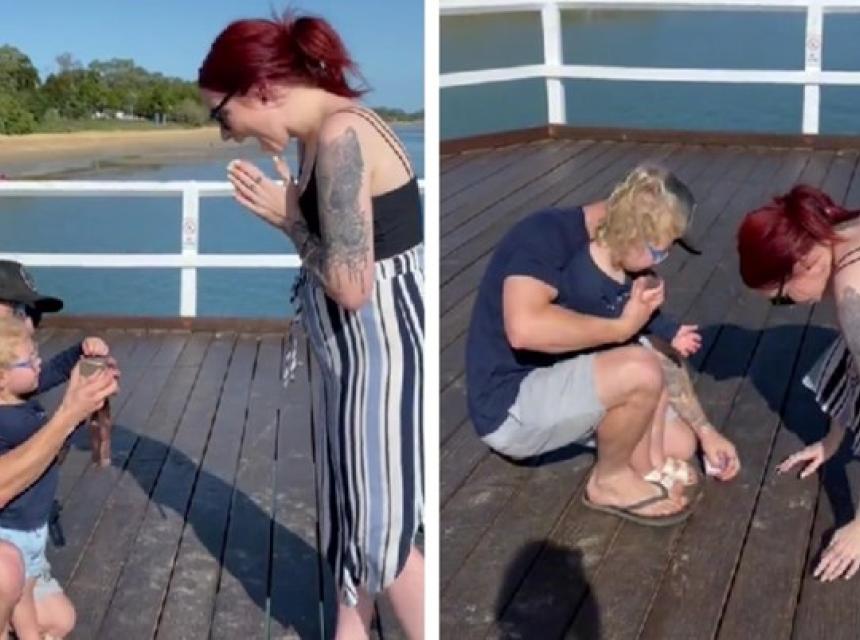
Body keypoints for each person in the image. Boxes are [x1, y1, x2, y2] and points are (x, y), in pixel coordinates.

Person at [198, 12, 423, 639]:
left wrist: (288, 220)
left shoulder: (343, 134)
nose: (226, 135)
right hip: (350, 356)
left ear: (259, 89)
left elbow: (351, 286)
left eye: (222, 116)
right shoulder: (314, 137)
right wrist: (294, 214)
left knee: (383, 534)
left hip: (382, 355)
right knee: (353, 523)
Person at [466, 165, 740, 527]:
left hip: (566, 383)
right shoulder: (544, 236)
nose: (663, 261)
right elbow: (524, 330)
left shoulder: (622, 260)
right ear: (634, 230)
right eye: (660, 251)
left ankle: (639, 459)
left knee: (682, 444)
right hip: (510, 406)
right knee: (640, 370)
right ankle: (609, 482)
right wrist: (623, 326)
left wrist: (706, 431)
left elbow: (654, 342)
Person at [738, 184, 860, 582]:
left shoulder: (852, 292)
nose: (788, 307)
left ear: (804, 262)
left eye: (782, 298)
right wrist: (833, 441)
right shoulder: (840, 232)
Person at [0, 261, 118, 639]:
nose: (30, 325)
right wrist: (69, 414)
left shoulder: (14, 379)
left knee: (59, 620)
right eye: (19, 311)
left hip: (26, 541)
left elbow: (48, 373)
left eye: (34, 315)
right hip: (10, 544)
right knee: (8, 573)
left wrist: (83, 365)